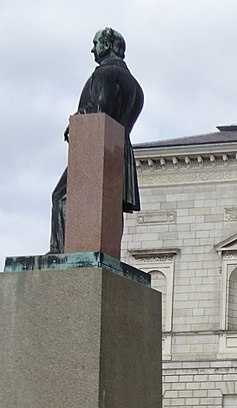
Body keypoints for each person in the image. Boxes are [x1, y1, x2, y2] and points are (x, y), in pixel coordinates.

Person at [49, 28, 145, 254]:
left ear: (109, 45)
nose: (92, 49)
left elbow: (96, 113)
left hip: (95, 148)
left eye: (96, 43)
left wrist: (76, 123)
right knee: (110, 208)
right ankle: (103, 252)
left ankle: (61, 251)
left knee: (61, 196)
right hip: (119, 152)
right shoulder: (136, 87)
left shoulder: (104, 74)